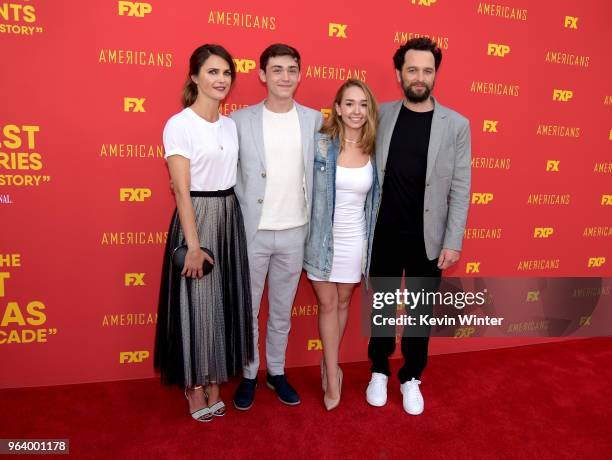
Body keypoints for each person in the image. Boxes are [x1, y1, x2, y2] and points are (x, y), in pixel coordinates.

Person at [365, 37, 471, 415]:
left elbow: (461, 186)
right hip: (385, 233)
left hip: (430, 237)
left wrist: (453, 240)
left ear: (435, 74)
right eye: (412, 69)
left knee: (420, 312)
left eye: (428, 70)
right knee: (382, 306)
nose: (420, 77)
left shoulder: (457, 125)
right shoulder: (380, 114)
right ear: (399, 74)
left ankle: (411, 377)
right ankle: (378, 369)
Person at [154, 44, 253, 422]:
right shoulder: (180, 124)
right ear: (194, 77)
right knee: (195, 303)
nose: (221, 80)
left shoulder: (230, 124)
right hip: (196, 217)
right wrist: (193, 246)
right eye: (212, 72)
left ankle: (214, 378)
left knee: (220, 303)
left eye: (226, 73)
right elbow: (180, 189)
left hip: (229, 217)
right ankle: (194, 385)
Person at [231, 44, 323, 410]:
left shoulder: (316, 120)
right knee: (249, 310)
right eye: (277, 69)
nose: (285, 76)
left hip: (295, 231)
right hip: (253, 231)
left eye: (291, 69)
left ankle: (277, 371)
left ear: (300, 75)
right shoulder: (239, 121)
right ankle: (249, 373)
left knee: (282, 310)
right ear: (262, 75)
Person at [303, 79, 378, 410]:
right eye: (349, 104)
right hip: (321, 238)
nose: (356, 111)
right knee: (328, 303)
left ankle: (327, 362)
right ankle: (333, 375)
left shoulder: (376, 148)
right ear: (337, 108)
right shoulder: (320, 144)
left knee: (344, 301)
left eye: (362, 104)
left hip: (356, 238)